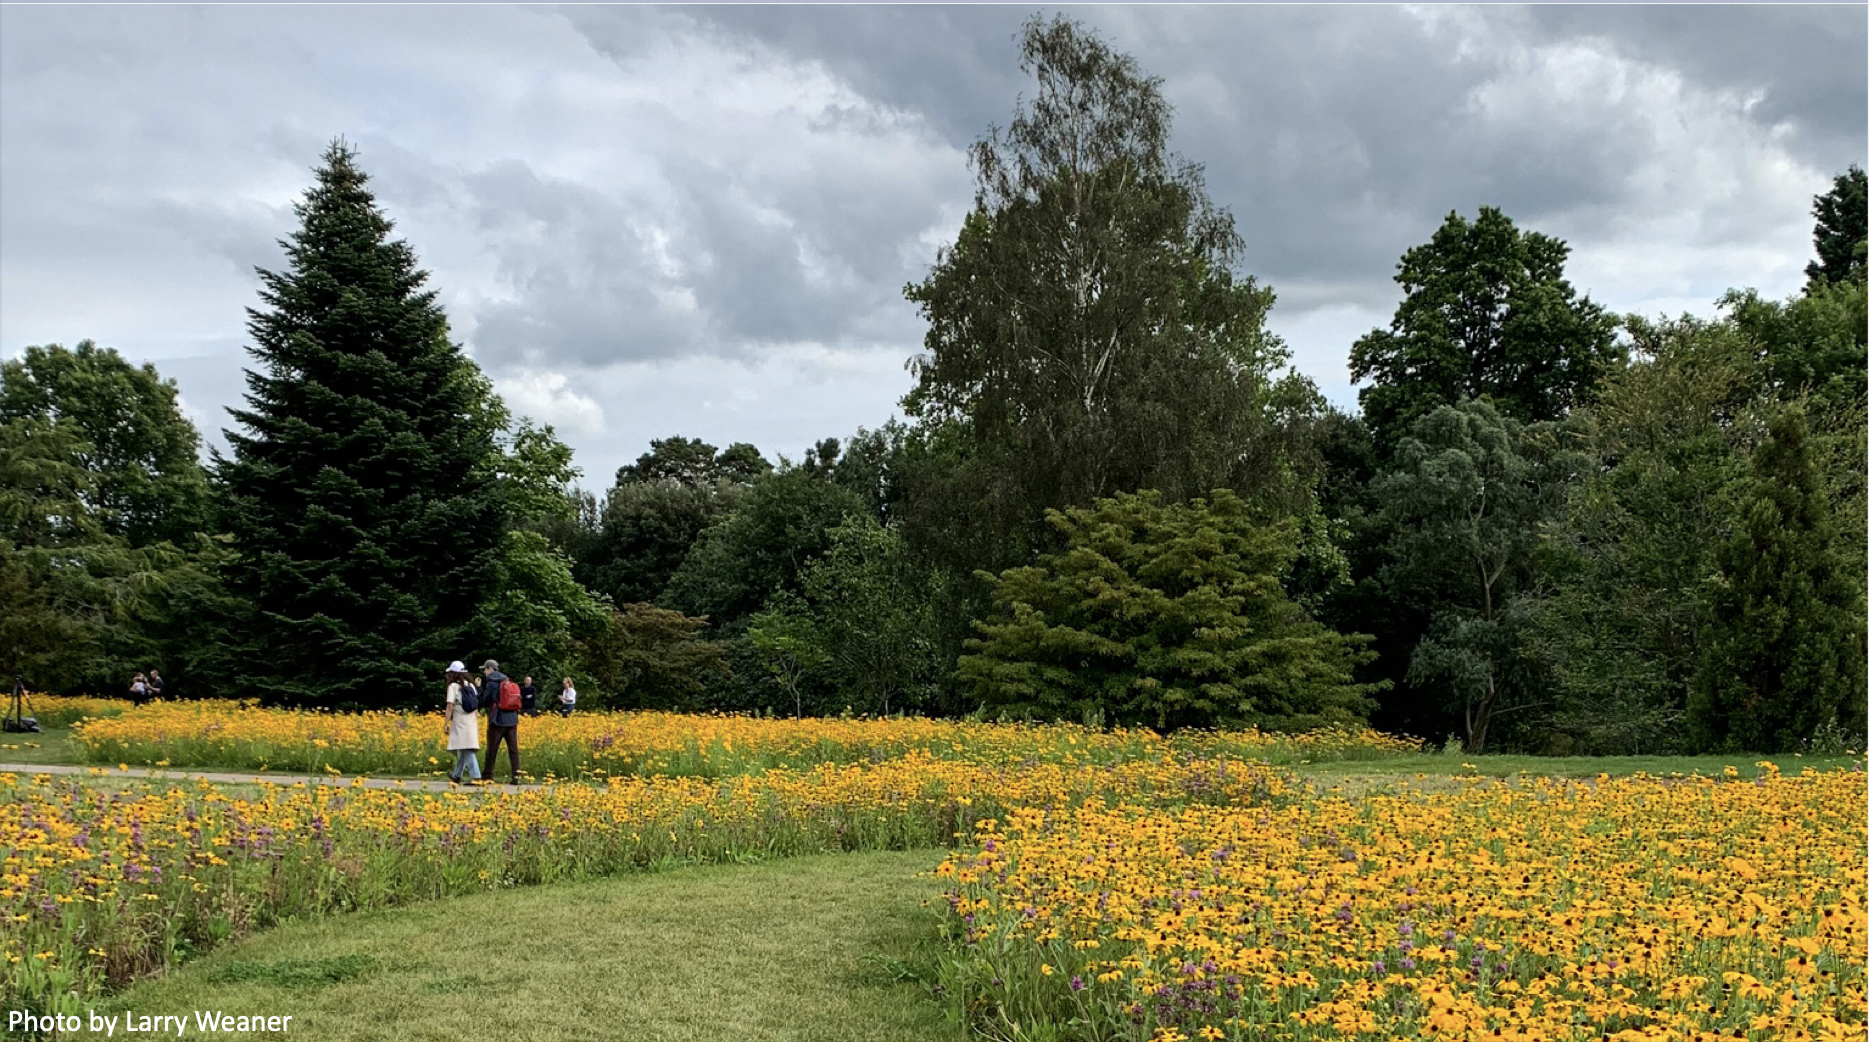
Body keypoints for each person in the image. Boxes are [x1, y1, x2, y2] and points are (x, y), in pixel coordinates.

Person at [481, 659, 521, 785]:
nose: (484, 672)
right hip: (512, 719)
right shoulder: (507, 680)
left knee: (492, 749)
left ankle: (487, 775)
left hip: (497, 720)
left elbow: (485, 700)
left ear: (490, 669)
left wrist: (479, 689)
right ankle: (516, 776)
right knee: (513, 749)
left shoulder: (491, 682)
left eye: (485, 669)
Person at [444, 662, 481, 784]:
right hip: (471, 720)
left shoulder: (453, 686)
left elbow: (450, 706)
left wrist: (446, 723)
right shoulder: (471, 685)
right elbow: (475, 705)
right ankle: (456, 775)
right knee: (463, 748)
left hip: (460, 720)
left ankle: (476, 777)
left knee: (466, 749)